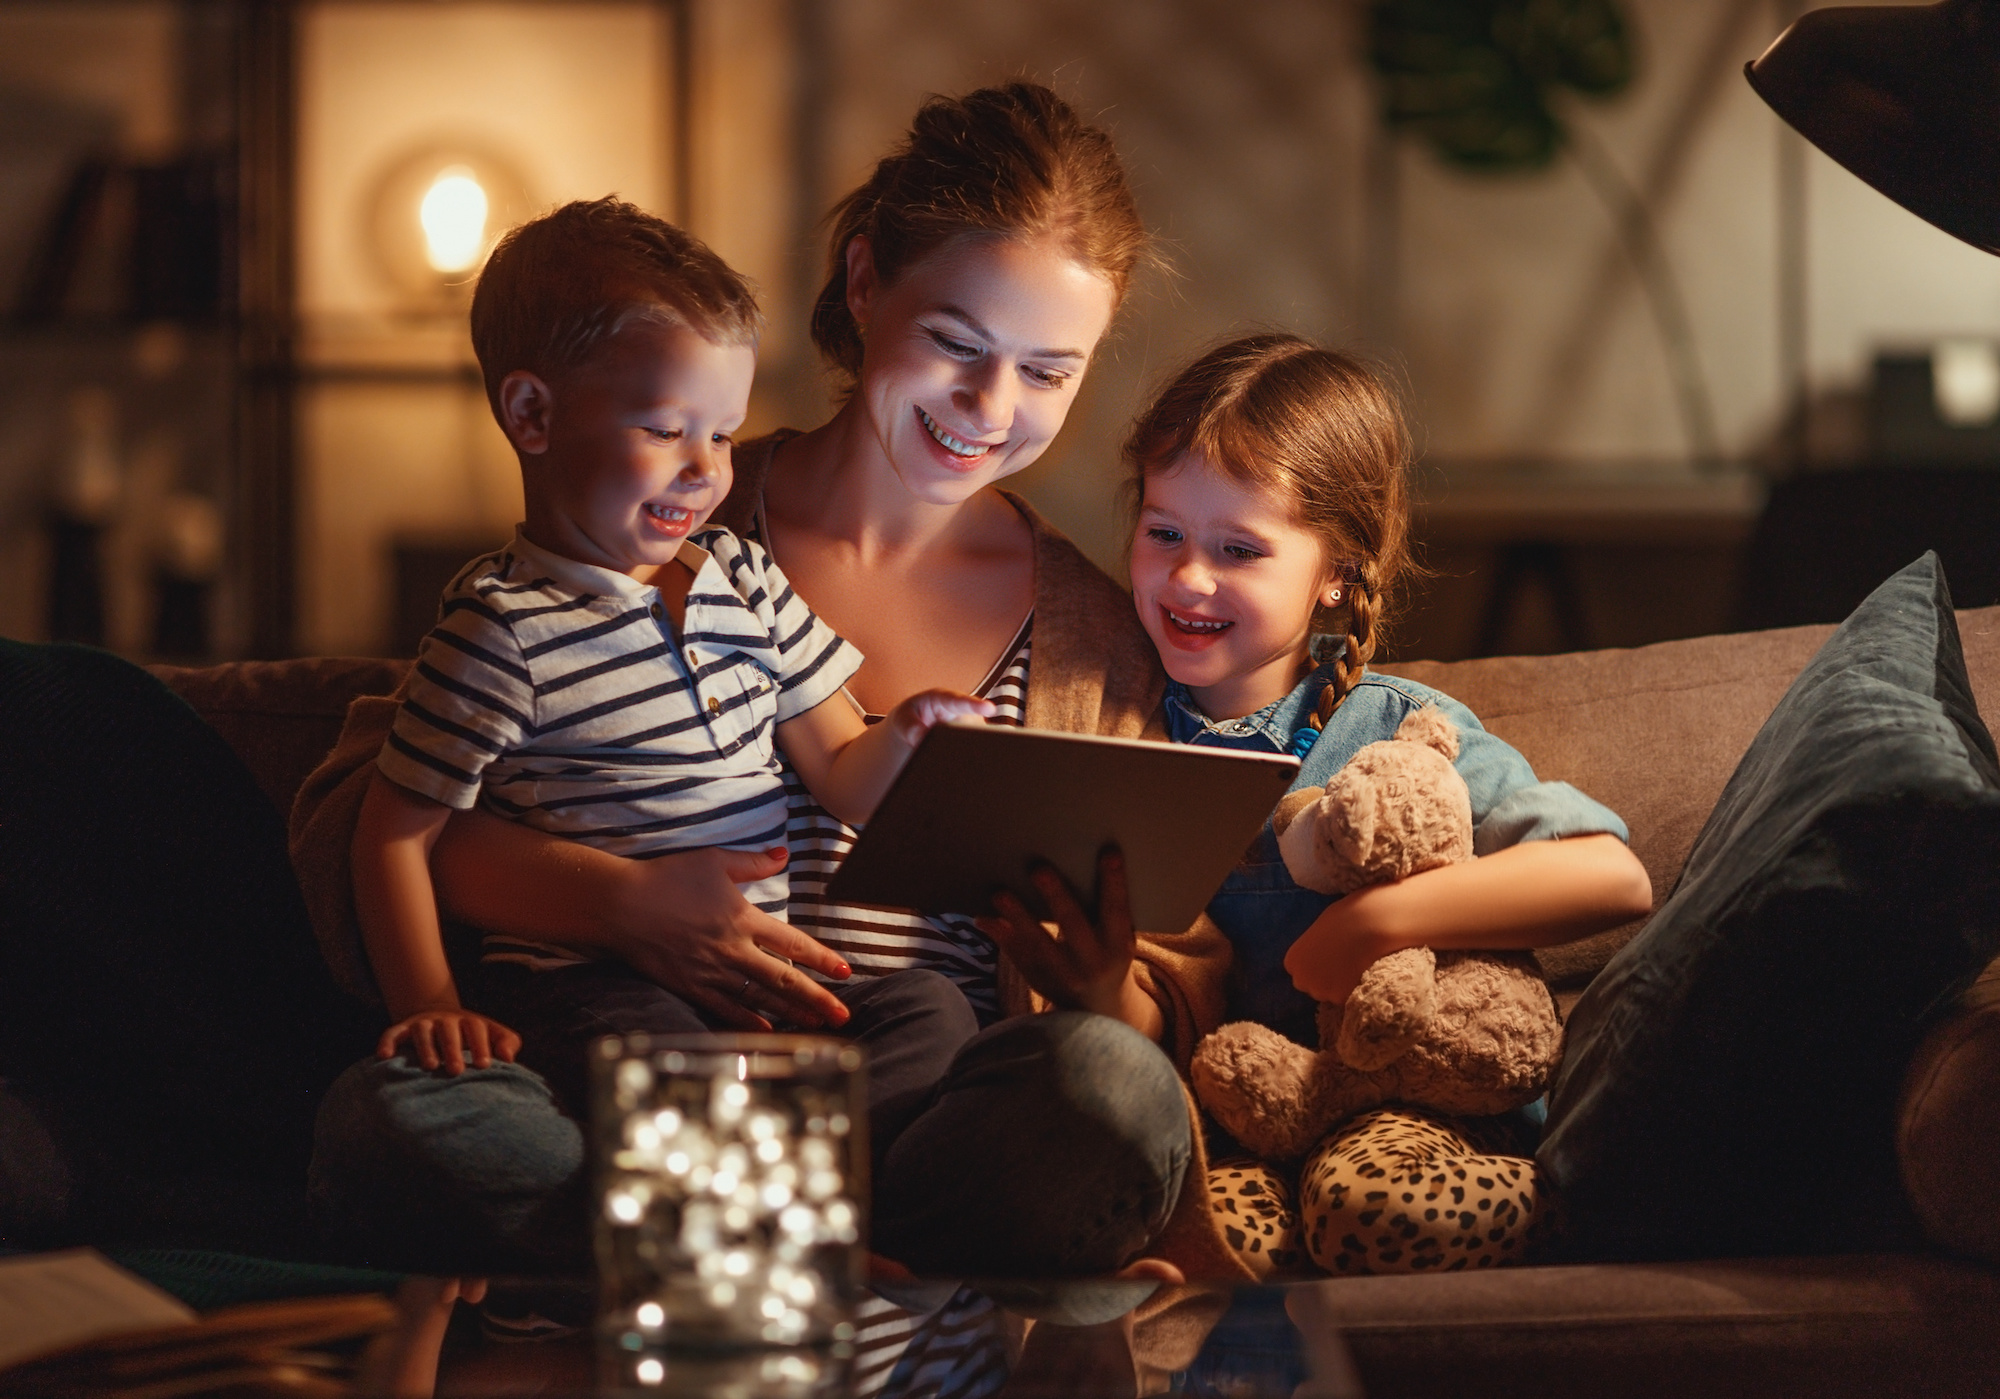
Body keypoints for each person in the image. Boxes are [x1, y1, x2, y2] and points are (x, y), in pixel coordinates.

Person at [293, 83, 1219, 1394]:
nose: (991, 403)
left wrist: (1104, 972)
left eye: (1050, 370)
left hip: (904, 1120)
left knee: (1110, 1089)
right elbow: (366, 808)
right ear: (864, 280)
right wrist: (616, 904)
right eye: (956, 340)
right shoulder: (668, 518)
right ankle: (732, 1239)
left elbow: (1153, 1021)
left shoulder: (1092, 635)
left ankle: (771, 1231)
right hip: (624, 1068)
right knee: (392, 1125)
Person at [351, 198, 993, 1123]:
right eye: (663, 430)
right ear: (533, 413)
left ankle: (778, 1173)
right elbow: (394, 833)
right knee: (654, 1069)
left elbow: (849, 774)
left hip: (757, 993)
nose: (705, 468)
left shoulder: (742, 577)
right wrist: (428, 1002)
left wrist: (909, 732)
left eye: (722, 433)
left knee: (929, 1014)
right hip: (599, 989)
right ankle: (782, 1185)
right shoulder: (501, 629)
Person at [1122, 335, 1654, 1277]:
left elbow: (1612, 875)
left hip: (1415, 1113)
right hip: (1249, 1122)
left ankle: (1567, 1209)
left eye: (1239, 548)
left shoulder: (1392, 726)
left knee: (1362, 1206)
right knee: (1182, 1233)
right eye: (1163, 531)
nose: (1188, 577)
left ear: (1336, 569)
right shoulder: (1114, 727)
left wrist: (1375, 919)